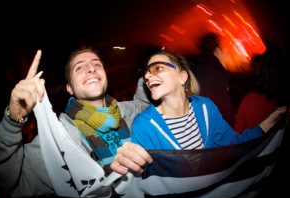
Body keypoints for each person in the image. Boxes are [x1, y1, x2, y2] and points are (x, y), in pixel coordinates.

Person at [0, 46, 150, 198]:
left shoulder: (129, 112)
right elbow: (8, 184)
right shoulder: (60, 139)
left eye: (97, 64)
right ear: (70, 88)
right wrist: (12, 121)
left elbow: (145, 103)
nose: (91, 69)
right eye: (79, 67)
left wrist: (151, 70)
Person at [110, 49, 287, 174]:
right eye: (147, 72)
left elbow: (232, 145)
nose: (147, 76)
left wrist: (265, 125)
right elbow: (147, 180)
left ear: (182, 77)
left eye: (158, 68)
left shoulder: (206, 107)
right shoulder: (144, 125)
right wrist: (129, 165)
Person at [234, 45, 289, 133]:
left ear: (263, 69)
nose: (252, 68)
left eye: (255, 65)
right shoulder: (284, 104)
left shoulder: (251, 100)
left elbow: (237, 139)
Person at [192, 32, 234, 125]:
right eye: (228, 48)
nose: (231, 52)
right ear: (218, 51)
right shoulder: (212, 75)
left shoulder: (209, 70)